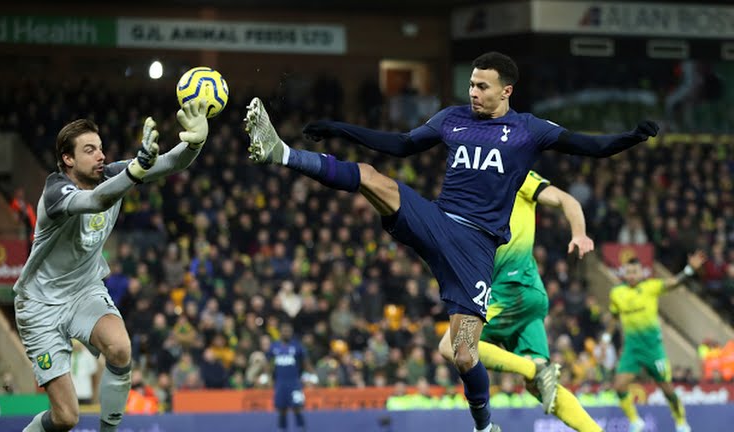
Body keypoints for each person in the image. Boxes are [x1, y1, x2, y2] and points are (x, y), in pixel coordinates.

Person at [245, 51, 658, 432]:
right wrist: (340, 129)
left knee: (463, 354)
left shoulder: (529, 130)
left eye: (482, 86)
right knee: (371, 177)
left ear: (506, 90)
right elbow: (404, 145)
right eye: (471, 85)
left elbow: (592, 147)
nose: (473, 93)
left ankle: (484, 426)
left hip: (476, 250)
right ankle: (281, 153)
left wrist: (632, 137)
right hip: (437, 222)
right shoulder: (452, 119)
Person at [14, 99, 209, 432]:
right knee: (66, 418)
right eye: (89, 150)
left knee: (120, 349)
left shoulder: (114, 173)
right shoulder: (55, 192)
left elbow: (172, 162)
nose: (101, 156)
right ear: (68, 158)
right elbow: (97, 200)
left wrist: (195, 142)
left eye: (101, 148)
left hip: (84, 290)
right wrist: (135, 171)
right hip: (39, 305)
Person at [437, 171, 604, 432]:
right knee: (542, 388)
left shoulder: (513, 176)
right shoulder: (468, 199)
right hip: (528, 295)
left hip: (511, 292)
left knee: (451, 346)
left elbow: (567, 201)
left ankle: (535, 369)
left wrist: (579, 233)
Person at [610, 253, 706, 432]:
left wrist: (689, 269)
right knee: (619, 386)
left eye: (635, 272)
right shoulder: (617, 293)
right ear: (624, 273)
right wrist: (606, 338)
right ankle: (635, 421)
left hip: (653, 350)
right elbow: (614, 316)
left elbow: (673, 283)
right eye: (628, 272)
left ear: (641, 273)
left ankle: (680, 420)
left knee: (667, 389)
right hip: (632, 349)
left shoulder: (650, 287)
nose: (631, 275)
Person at [266, 321, 312, 432]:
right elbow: (268, 362)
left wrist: (310, 376)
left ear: (291, 332)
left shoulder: (297, 345)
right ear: (280, 332)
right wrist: (268, 376)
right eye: (284, 331)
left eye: (289, 331)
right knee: (282, 409)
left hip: (294, 383)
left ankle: (302, 428)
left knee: (297, 408)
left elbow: (306, 362)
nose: (287, 333)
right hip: (280, 383)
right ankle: (282, 429)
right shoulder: (274, 346)